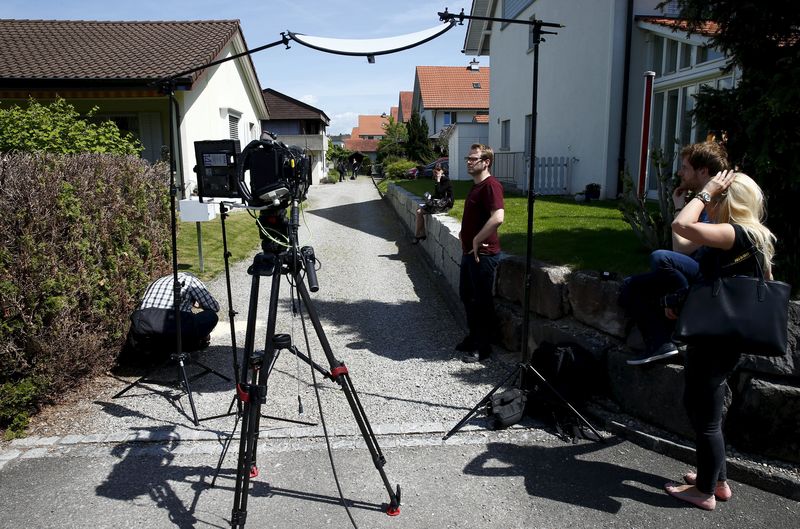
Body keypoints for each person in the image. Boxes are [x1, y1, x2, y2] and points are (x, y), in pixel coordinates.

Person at [664, 170, 776, 510]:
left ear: (726, 199)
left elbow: (680, 227)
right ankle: (717, 480)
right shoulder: (749, 235)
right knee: (700, 406)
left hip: (716, 339)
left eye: (717, 196)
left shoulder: (735, 232)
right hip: (724, 335)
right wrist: (680, 203)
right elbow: (683, 243)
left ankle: (705, 491)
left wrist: (704, 194)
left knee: (705, 414)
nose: (711, 199)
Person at [619, 141, 730, 365]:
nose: (680, 172)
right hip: (697, 270)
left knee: (660, 258)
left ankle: (682, 301)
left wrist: (680, 208)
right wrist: (680, 205)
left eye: (685, 167)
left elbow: (680, 248)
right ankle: (661, 344)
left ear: (703, 171)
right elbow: (682, 247)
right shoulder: (701, 201)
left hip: (713, 277)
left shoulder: (719, 202)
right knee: (630, 288)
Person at [457, 144, 504, 363]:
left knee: (480, 300)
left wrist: (477, 239)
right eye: (468, 158)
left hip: (483, 255)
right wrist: (463, 234)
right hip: (470, 253)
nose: (468, 161)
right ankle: (473, 336)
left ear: (486, 162)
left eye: (473, 158)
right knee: (467, 296)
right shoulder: (476, 186)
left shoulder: (491, 186)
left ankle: (482, 346)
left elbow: (498, 217)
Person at [125, 272, 220, 363]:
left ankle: (157, 354)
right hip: (170, 326)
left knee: (183, 316)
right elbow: (214, 307)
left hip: (143, 324)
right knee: (210, 316)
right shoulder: (191, 280)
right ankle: (190, 346)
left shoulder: (158, 280)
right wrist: (200, 306)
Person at [412, 163, 453, 244]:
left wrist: (438, 180)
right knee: (418, 211)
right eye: (435, 171)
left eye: (438, 170)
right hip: (438, 203)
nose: (436, 172)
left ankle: (417, 236)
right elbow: (437, 195)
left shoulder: (446, 180)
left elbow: (440, 192)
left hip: (445, 205)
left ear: (442, 171)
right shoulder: (439, 179)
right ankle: (422, 234)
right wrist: (430, 197)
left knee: (419, 212)